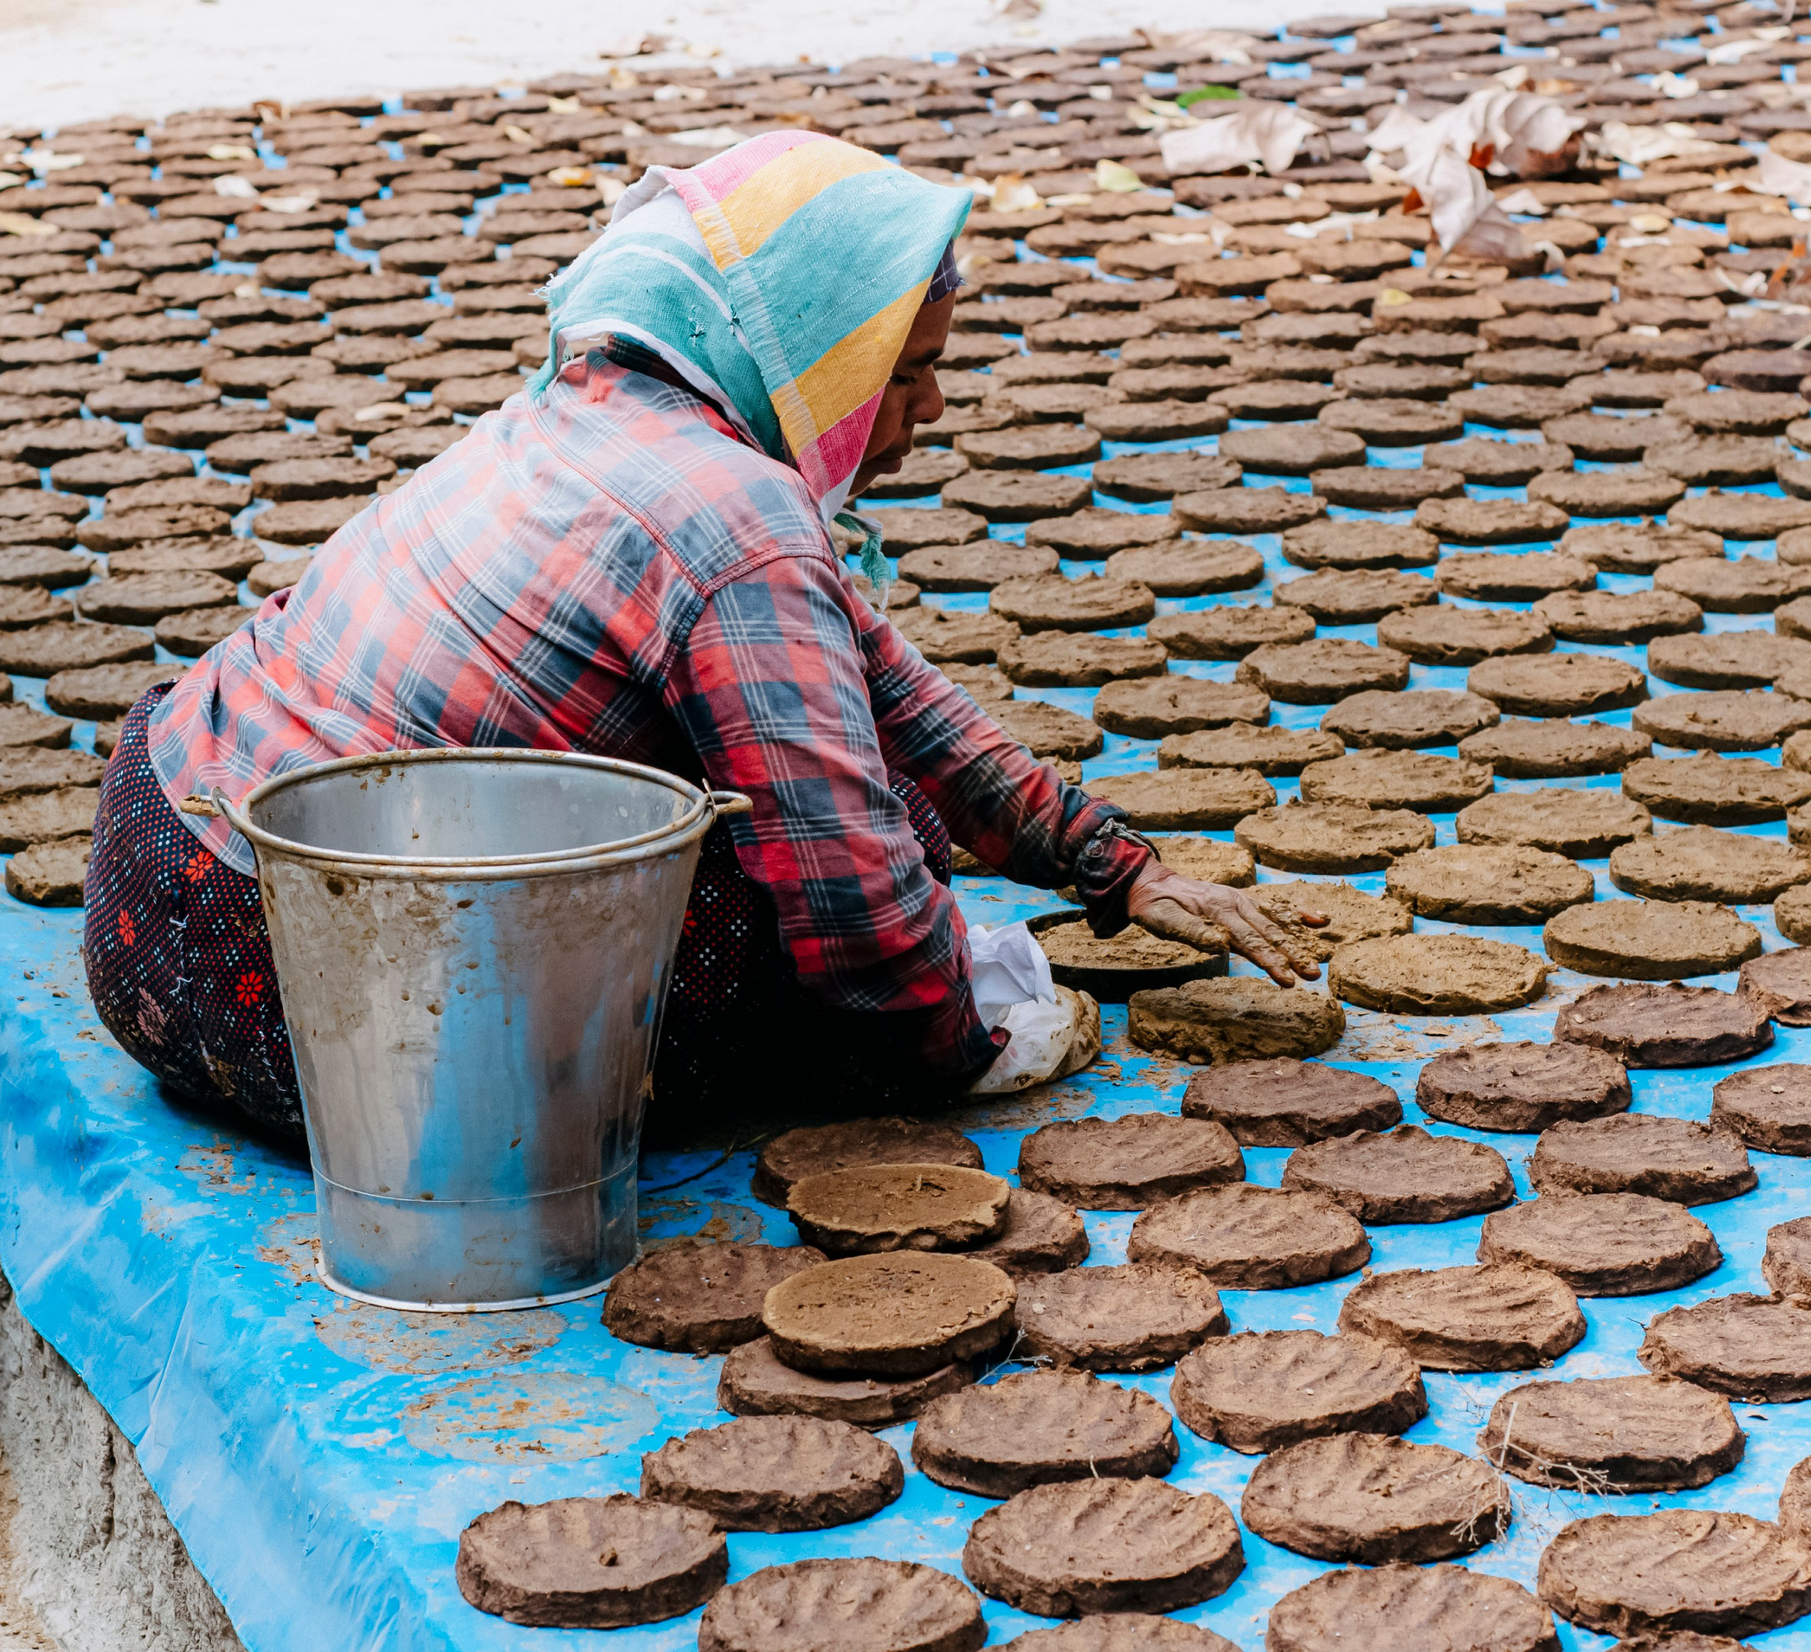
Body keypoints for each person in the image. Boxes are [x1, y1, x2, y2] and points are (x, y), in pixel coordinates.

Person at [82, 130, 1318, 1142]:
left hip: (153, 874)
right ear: (818, 360)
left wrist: (1116, 870)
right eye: (905, 373)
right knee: (857, 857)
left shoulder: (592, 402)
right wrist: (973, 1042)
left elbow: (884, 690)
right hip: (331, 1013)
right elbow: (853, 909)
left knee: (846, 772)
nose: (933, 408)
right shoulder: (737, 525)